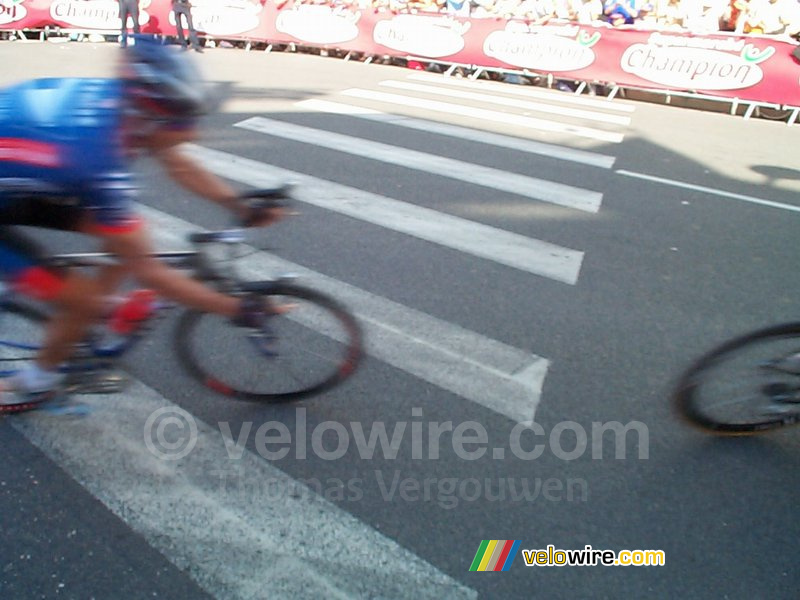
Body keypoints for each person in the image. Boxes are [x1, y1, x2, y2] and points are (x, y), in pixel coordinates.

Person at [0, 35, 284, 409]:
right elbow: (148, 272)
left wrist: (238, 204)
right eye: (184, 119)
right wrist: (238, 309)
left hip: (20, 177)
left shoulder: (121, 108)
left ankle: (92, 315)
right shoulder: (99, 161)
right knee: (85, 298)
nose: (193, 130)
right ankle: (38, 380)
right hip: (33, 176)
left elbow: (175, 160)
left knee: (127, 236)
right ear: (152, 118)